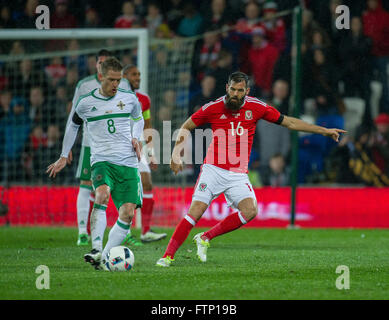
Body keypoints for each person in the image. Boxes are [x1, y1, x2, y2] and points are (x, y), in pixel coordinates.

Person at [156, 71, 346, 267]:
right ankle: (167, 256)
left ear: (246, 91)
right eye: (232, 89)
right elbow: (186, 126)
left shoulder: (256, 107)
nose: (235, 94)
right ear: (226, 88)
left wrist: (323, 131)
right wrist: (175, 153)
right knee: (195, 211)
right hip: (213, 169)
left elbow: (289, 122)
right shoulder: (213, 107)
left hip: (237, 173)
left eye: (240, 91)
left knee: (250, 211)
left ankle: (205, 237)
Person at [47, 57, 144, 270]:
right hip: (101, 160)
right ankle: (96, 248)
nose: (115, 85)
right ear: (101, 77)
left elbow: (138, 119)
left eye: (118, 80)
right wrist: (64, 154)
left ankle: (105, 256)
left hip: (127, 162)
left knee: (128, 213)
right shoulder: (85, 103)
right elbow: (73, 125)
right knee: (101, 193)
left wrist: (137, 137)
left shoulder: (129, 98)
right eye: (111, 80)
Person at [64, 49, 132, 247]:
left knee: (119, 187)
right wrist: (66, 146)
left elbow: (130, 112)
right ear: (96, 66)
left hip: (119, 145)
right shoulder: (84, 85)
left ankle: (123, 229)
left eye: (105, 63)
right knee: (87, 184)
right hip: (91, 143)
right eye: (99, 63)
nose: (102, 66)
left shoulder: (124, 84)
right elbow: (73, 117)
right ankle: (82, 232)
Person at [122, 64, 167, 243]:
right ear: (124, 76)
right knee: (125, 188)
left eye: (139, 74)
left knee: (146, 184)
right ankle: (124, 231)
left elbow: (147, 126)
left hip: (139, 146)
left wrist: (151, 152)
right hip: (120, 147)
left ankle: (145, 231)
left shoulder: (144, 99)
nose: (137, 78)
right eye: (133, 75)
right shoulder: (118, 96)